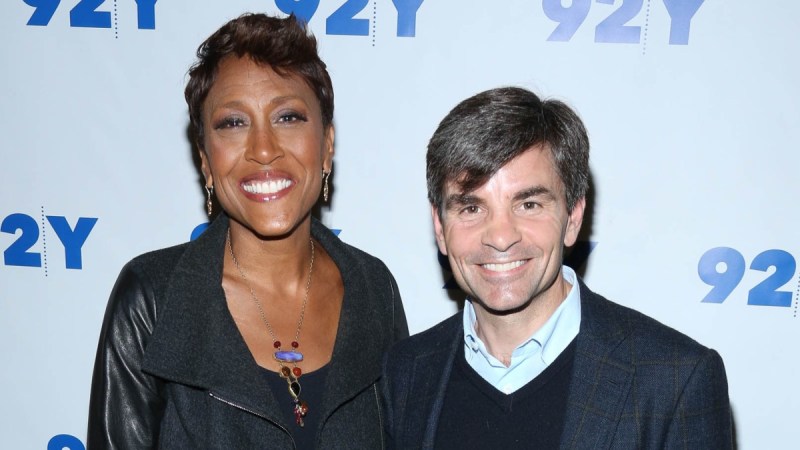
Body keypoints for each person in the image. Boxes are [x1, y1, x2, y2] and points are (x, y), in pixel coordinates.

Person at [87, 13, 408, 449]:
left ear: (327, 147)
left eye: (288, 117)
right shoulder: (152, 301)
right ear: (205, 161)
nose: (262, 150)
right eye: (233, 123)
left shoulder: (374, 290)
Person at [381, 87, 732, 449]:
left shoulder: (674, 381)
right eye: (471, 208)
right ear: (440, 227)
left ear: (573, 217)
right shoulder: (407, 372)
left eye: (529, 204)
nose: (500, 237)